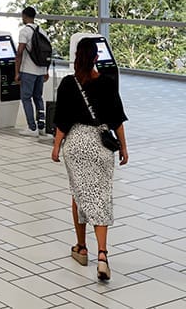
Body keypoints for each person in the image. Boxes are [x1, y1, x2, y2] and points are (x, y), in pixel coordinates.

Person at [51, 37, 128, 282]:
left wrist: (56, 147)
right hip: (101, 144)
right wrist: (124, 148)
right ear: (96, 58)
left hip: (76, 143)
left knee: (79, 194)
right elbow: (117, 119)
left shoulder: (67, 84)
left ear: (76, 57)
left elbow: (62, 121)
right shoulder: (107, 83)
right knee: (100, 196)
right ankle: (103, 255)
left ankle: (82, 248)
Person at [16, 6, 50, 136]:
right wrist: (46, 70)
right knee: (38, 98)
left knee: (26, 98)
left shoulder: (24, 31)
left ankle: (31, 127)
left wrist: (17, 72)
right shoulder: (42, 31)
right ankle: (41, 126)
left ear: (24, 16)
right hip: (41, 70)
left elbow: (19, 52)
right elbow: (47, 52)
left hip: (28, 70)